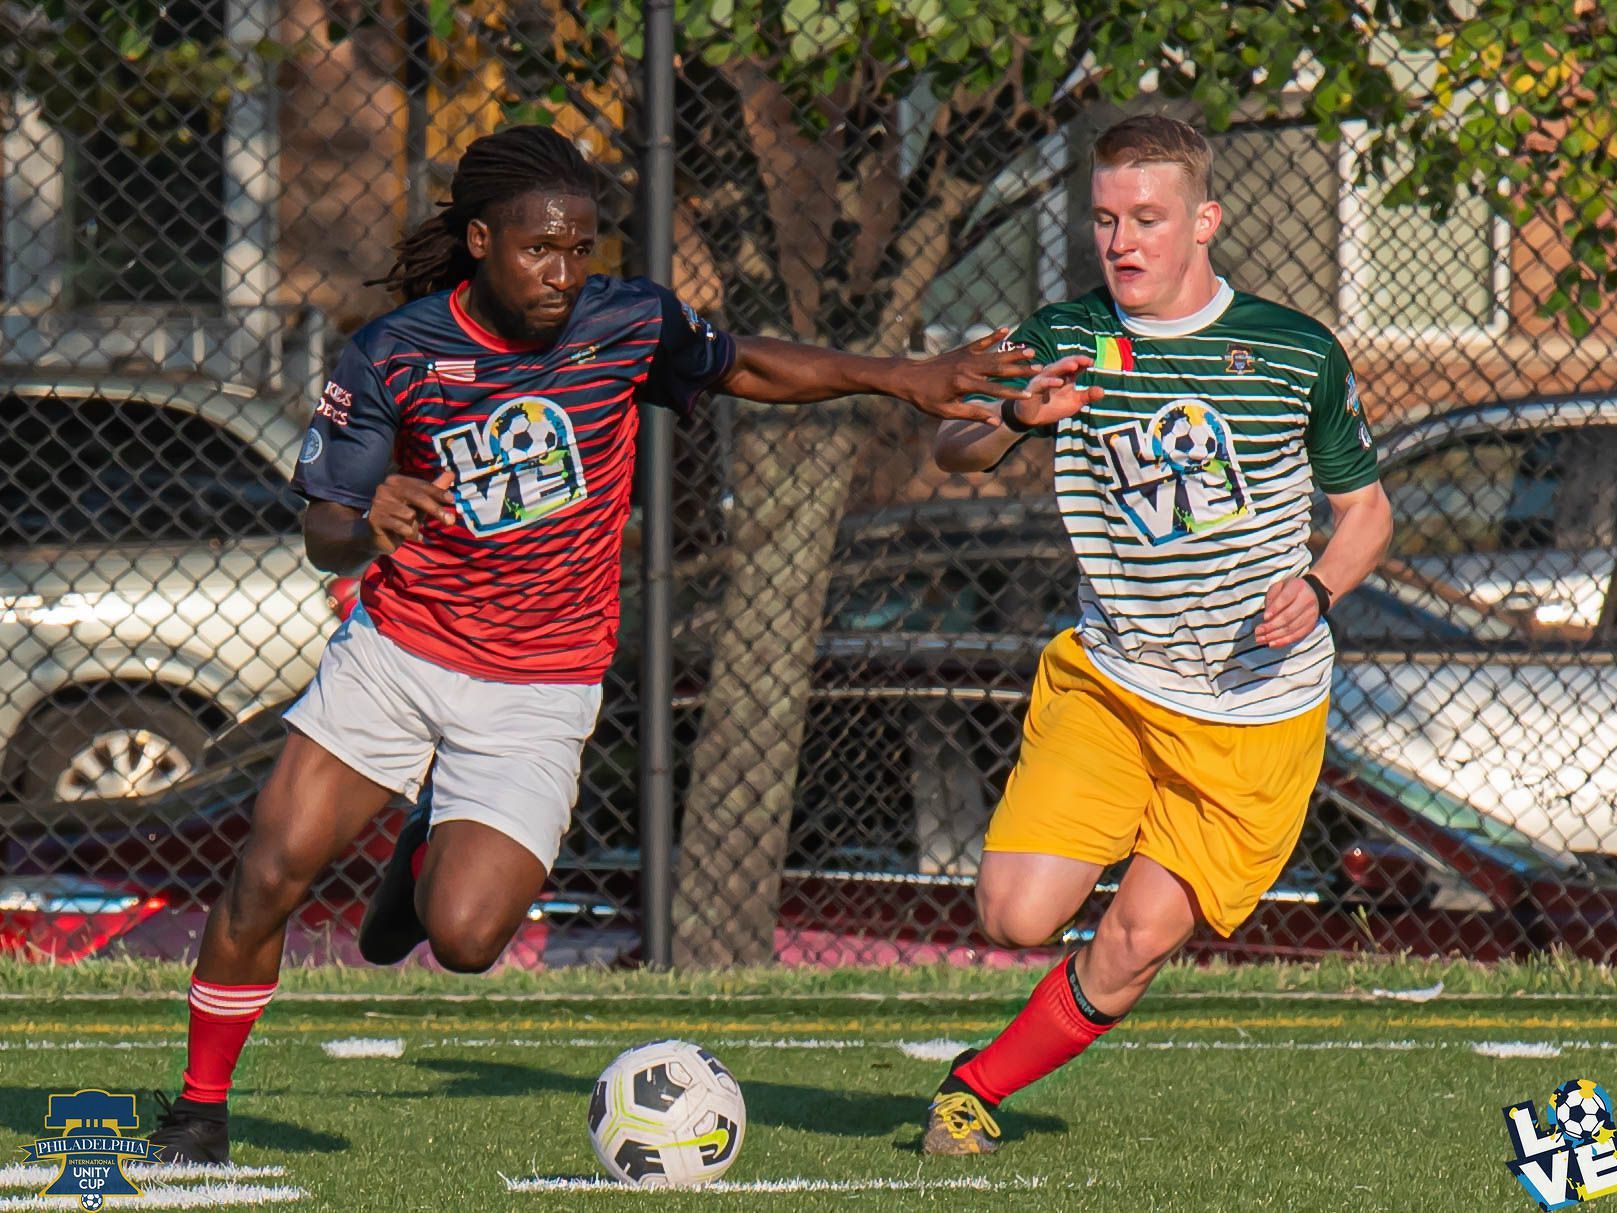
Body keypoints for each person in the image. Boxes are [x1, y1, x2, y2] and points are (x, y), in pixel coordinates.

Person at [146, 123, 1078, 1166]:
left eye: (581, 247)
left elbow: (745, 365)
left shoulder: (623, 322)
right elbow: (324, 529)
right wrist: (370, 513)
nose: (562, 270)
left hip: (539, 685)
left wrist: (898, 376)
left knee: (464, 939)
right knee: (269, 870)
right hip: (399, 655)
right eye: (539, 248)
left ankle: (422, 860)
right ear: (480, 240)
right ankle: (196, 1107)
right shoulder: (393, 351)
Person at [918, 115, 1393, 1155]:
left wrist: (1314, 589)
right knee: (1011, 914)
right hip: (1115, 684)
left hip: (1255, 713)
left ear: (1203, 220)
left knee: (1131, 941)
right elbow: (951, 442)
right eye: (1102, 219)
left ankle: (973, 1089)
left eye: (1146, 218)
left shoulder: (1292, 352)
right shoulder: (1062, 337)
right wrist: (1012, 421)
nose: (1120, 241)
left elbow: (1364, 514)